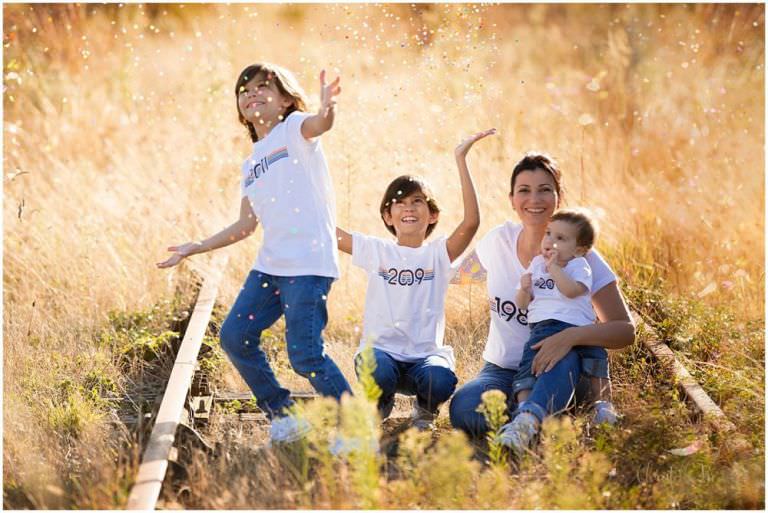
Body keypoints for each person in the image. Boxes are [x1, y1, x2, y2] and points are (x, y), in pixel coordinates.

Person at [157, 62, 351, 443]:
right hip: (271, 267)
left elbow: (321, 124)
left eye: (264, 87)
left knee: (305, 356)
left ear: (286, 98)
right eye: (244, 90)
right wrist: (197, 247)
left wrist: (328, 107)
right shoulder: (251, 163)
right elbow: (246, 226)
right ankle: (284, 414)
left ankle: (355, 427)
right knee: (234, 336)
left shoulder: (294, 130)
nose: (252, 94)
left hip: (308, 265)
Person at [448, 152, 635, 454]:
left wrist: (569, 337)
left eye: (544, 189)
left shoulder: (581, 256)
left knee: (560, 363)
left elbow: (625, 330)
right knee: (465, 409)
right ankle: (546, 415)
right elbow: (454, 276)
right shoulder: (498, 242)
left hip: (559, 363)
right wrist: (410, 261)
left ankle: (537, 415)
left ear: (559, 197)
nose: (534, 199)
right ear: (511, 199)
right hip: (502, 369)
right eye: (524, 190)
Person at [336, 129, 495, 431]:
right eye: (399, 202)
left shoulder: (439, 255)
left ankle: (424, 408)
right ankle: (380, 403)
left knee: (440, 378)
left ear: (432, 215)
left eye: (417, 201)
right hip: (383, 355)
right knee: (376, 370)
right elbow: (330, 233)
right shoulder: (377, 251)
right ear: (387, 216)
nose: (408, 207)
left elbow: (472, 222)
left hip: (424, 359)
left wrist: (460, 159)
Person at [510, 208, 616, 434]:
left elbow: (571, 290)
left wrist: (554, 268)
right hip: (543, 327)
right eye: (548, 233)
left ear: (579, 249)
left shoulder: (580, 265)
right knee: (529, 367)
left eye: (561, 238)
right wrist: (524, 290)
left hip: (578, 327)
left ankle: (604, 405)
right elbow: (522, 303)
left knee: (596, 362)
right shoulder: (537, 264)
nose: (550, 241)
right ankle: (523, 412)